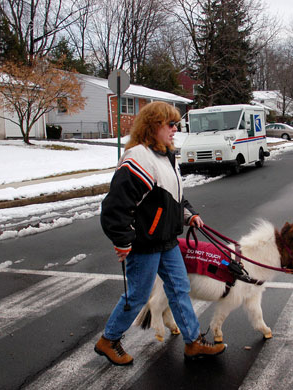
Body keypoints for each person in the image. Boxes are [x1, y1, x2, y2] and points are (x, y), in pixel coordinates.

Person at [95, 101, 226, 365]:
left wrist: (190, 215)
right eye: (171, 124)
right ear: (154, 126)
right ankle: (108, 340)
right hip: (144, 243)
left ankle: (193, 342)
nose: (176, 129)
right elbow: (114, 207)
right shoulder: (138, 158)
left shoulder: (165, 156)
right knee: (138, 295)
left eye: (176, 123)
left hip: (166, 241)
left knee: (180, 288)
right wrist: (122, 240)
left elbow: (173, 197)